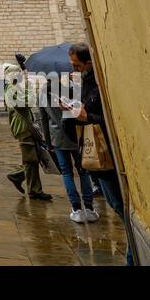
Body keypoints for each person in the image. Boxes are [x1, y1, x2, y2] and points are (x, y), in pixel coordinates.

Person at [67, 42, 133, 264]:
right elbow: (79, 118)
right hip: (94, 155)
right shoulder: (81, 83)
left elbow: (108, 120)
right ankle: (132, 254)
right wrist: (71, 109)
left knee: (119, 205)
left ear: (88, 63)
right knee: (115, 204)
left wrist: (86, 117)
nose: (74, 69)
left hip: (107, 154)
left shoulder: (99, 84)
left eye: (77, 65)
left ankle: (132, 257)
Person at [44, 69, 97, 223]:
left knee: (67, 173)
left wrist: (48, 142)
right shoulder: (71, 89)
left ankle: (76, 209)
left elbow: (43, 120)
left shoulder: (42, 94)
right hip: (75, 135)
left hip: (58, 139)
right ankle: (89, 208)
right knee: (83, 171)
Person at [3, 63, 52, 201]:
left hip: (27, 127)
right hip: (23, 128)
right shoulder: (11, 90)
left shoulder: (16, 87)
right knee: (31, 160)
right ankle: (24, 182)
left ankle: (32, 188)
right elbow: (29, 102)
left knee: (33, 159)